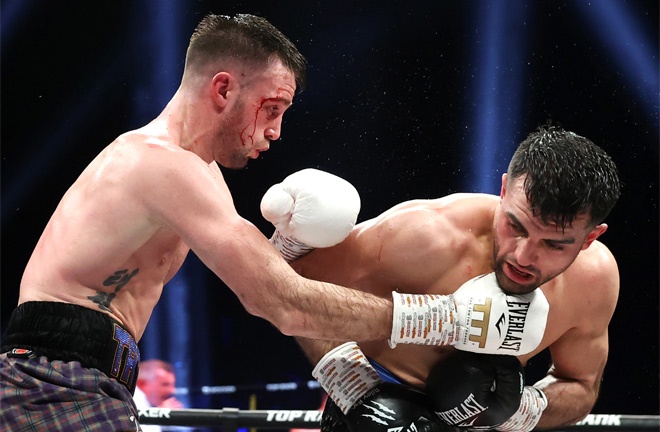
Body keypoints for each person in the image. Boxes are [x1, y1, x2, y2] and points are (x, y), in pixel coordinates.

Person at [0, 13, 442, 431]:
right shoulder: (160, 164)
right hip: (49, 381)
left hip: (81, 382)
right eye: (272, 108)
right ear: (224, 88)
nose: (276, 131)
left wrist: (287, 248)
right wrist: (440, 318)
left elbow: (272, 283)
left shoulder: (201, 175)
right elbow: (280, 300)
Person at [290, 125, 621, 431]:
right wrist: (359, 392)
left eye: (553, 244)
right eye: (516, 226)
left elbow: (581, 386)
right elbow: (296, 284)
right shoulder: (425, 234)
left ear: (590, 238)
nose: (523, 256)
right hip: (373, 404)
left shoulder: (594, 281)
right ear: (504, 190)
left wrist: (517, 410)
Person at [133, 359, 184, 432]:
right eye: (165, 384)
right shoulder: (135, 398)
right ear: (142, 384)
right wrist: (161, 415)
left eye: (172, 385)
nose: (172, 390)